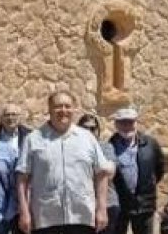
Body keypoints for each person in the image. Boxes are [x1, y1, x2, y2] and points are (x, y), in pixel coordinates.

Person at [16, 92, 113, 234]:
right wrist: (24, 213)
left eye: (67, 106)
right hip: (46, 218)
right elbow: (22, 179)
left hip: (83, 216)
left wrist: (102, 209)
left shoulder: (87, 138)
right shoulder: (33, 139)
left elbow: (101, 175)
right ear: (49, 109)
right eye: (57, 106)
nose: (63, 110)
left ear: (74, 109)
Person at [107, 108, 164, 234]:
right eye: (123, 122)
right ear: (116, 124)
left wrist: (147, 186)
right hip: (119, 205)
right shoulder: (109, 147)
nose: (127, 126)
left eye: (130, 122)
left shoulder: (151, 144)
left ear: (136, 123)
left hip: (144, 205)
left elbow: (159, 169)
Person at [76, 114, 119, 234]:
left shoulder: (106, 147)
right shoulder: (73, 148)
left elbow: (110, 174)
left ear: (98, 130)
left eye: (93, 128)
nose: (89, 132)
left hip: (107, 204)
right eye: (85, 128)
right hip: (82, 206)